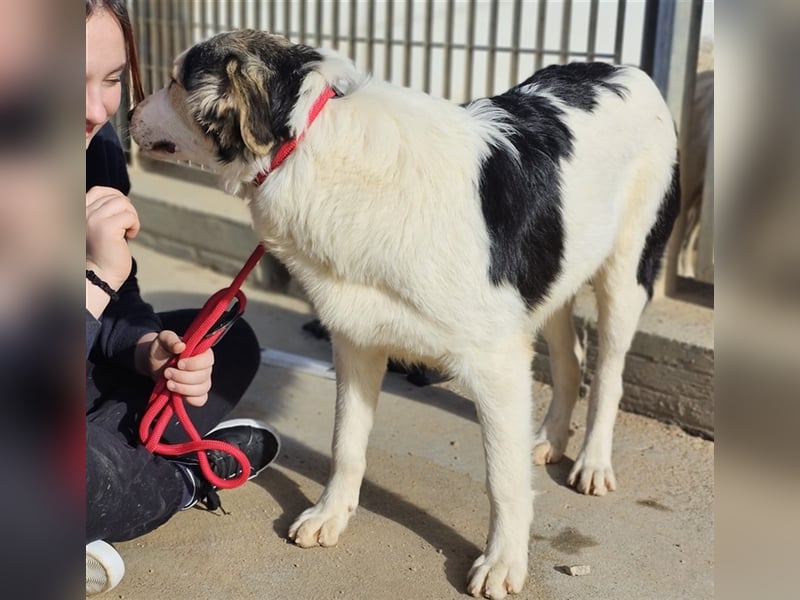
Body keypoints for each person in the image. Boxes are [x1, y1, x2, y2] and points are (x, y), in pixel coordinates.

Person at [85, 1, 280, 596]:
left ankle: (102, 474)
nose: (96, 111)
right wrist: (92, 279)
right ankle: (183, 472)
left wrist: (151, 350)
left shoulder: (97, 154)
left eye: (113, 80)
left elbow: (122, 307)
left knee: (226, 339)